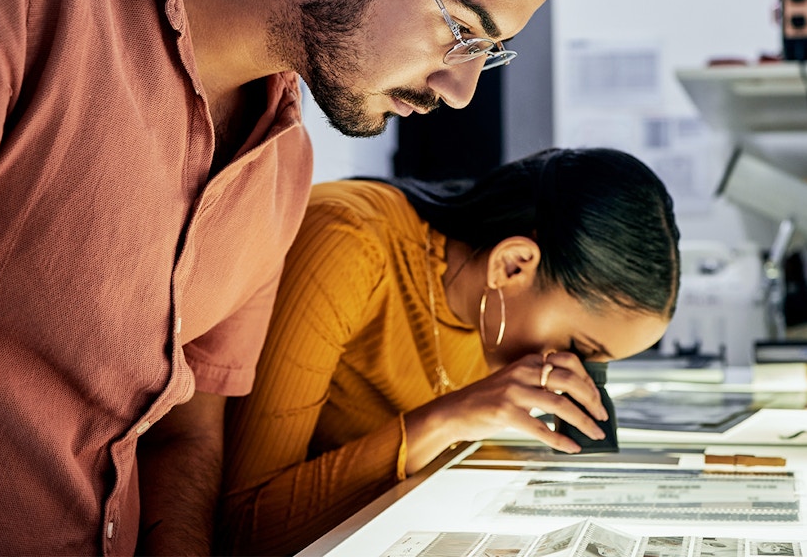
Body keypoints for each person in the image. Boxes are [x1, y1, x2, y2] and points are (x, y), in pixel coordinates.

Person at [0, 0, 586, 553]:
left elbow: (185, 433)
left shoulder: (281, 165)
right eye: (460, 28)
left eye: (488, 54)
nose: (460, 90)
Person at [218, 147, 681, 555]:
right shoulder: (347, 241)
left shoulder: (493, 324)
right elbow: (243, 531)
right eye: (578, 347)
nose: (573, 373)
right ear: (512, 265)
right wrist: (446, 419)